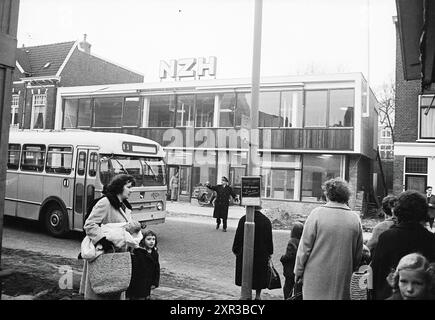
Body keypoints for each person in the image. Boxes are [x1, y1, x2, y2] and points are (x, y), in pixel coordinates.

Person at [294, 177, 363, 300]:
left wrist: (298, 271)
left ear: (328, 194)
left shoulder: (316, 214)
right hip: (342, 277)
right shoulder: (355, 219)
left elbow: (304, 248)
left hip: (315, 277)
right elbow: (358, 253)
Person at [79, 174, 137, 300]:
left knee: (115, 290)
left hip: (117, 257)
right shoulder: (106, 202)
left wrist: (133, 229)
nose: (131, 190)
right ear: (119, 187)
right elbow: (89, 224)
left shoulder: (125, 207)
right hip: (103, 256)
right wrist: (102, 241)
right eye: (128, 187)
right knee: (100, 292)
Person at [371, 190, 435, 300]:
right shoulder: (431, 239)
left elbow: (377, 272)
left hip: (389, 294)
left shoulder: (387, 237)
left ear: (398, 211)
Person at [232, 206, 273, 300]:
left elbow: (238, 237)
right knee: (259, 275)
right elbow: (269, 239)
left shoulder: (244, 219)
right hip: (261, 254)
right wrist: (269, 252)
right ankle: (258, 296)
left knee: (245, 273)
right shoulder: (266, 221)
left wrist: (236, 249)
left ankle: (245, 294)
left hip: (245, 252)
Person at [127, 230, 160, 300]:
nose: (151, 241)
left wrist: (155, 282)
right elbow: (134, 268)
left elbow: (157, 269)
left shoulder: (154, 253)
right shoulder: (138, 252)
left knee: (145, 296)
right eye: (148, 239)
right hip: (137, 281)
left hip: (148, 281)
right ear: (142, 240)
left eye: (153, 239)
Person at [280, 222, 304, 300]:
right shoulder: (302, 241)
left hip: (290, 269)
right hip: (298, 269)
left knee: (288, 289)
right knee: (298, 290)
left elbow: (289, 256)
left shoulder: (292, 241)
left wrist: (282, 258)